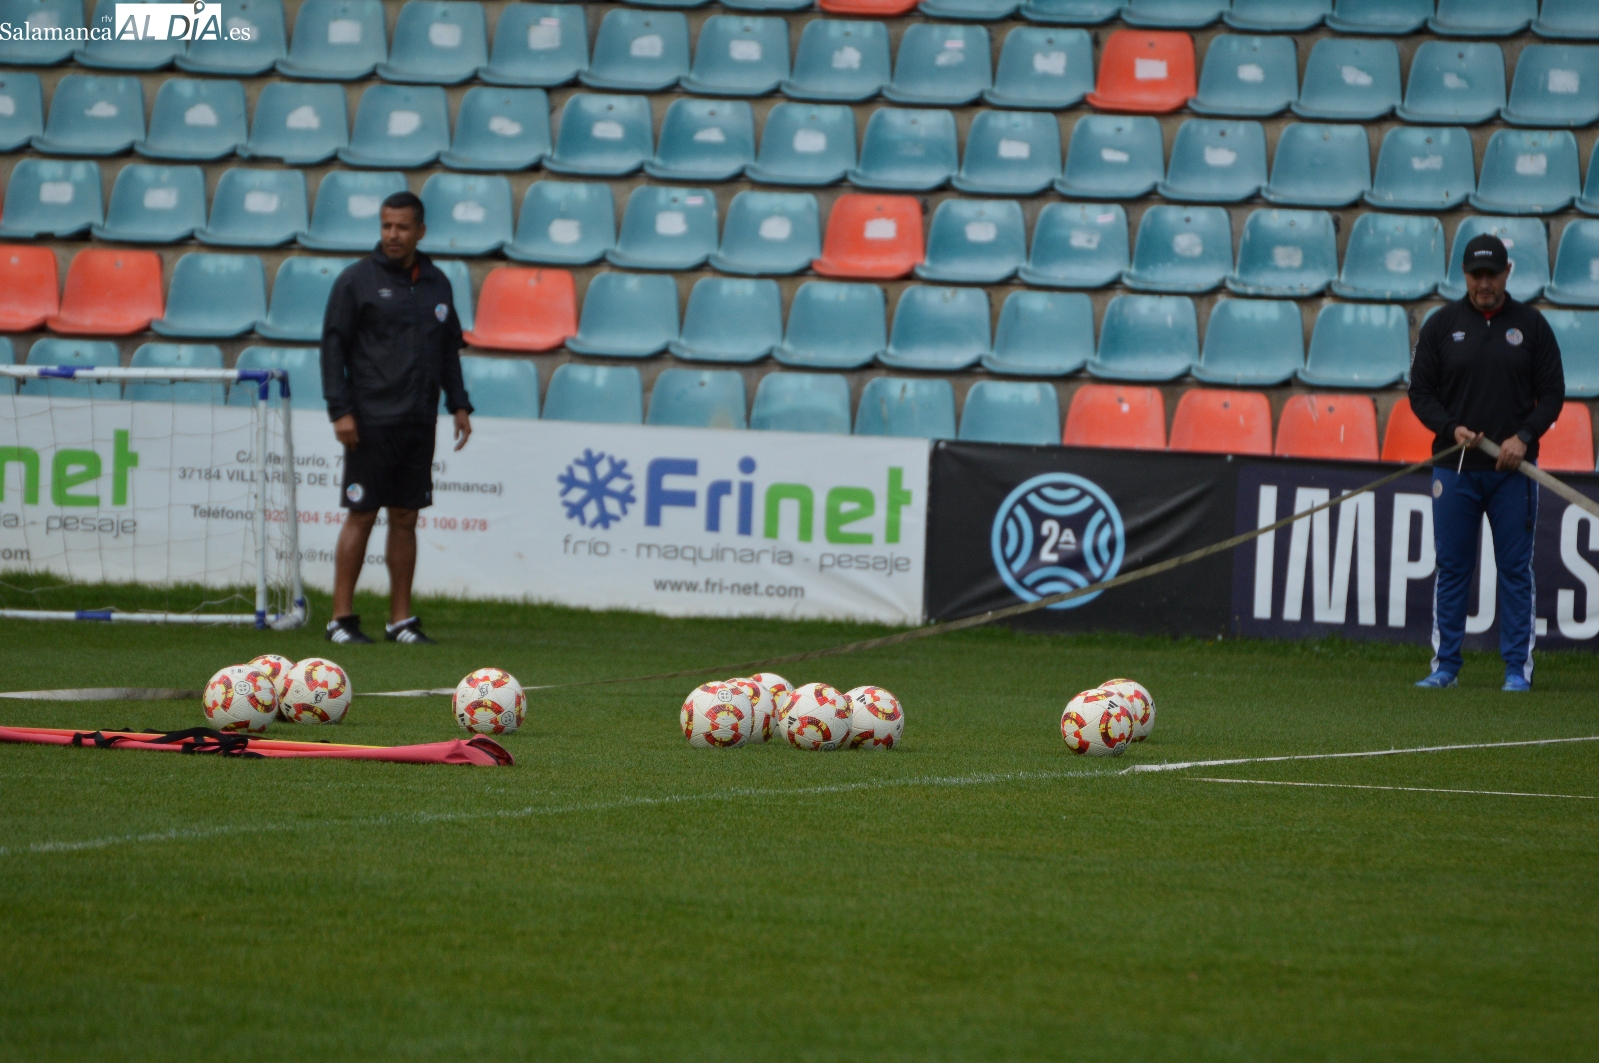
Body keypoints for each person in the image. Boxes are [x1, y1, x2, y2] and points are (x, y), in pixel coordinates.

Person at [1408, 234, 1565, 691]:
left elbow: (1553, 394)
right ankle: (1446, 667)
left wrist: (1524, 436)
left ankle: (1517, 669)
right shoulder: (1440, 326)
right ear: (1465, 275)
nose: (1484, 284)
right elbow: (1421, 393)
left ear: (1506, 274)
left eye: (1491, 275)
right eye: (1476, 275)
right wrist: (1450, 428)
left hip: (1512, 473)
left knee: (1515, 570)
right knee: (1452, 568)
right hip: (1454, 469)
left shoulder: (1532, 326)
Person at [320, 190, 473, 645]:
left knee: (406, 516)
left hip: (418, 419)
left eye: (402, 227)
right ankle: (341, 619)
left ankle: (399, 621)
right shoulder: (356, 281)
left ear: (420, 231)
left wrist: (459, 403)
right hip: (369, 421)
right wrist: (340, 410)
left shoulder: (438, 283)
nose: (392, 234)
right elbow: (333, 348)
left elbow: (449, 350)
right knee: (361, 513)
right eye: (386, 225)